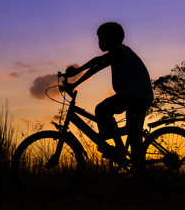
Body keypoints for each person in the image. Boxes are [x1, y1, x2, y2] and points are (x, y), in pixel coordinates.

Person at [63, 22, 154, 160]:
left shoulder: (119, 51)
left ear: (111, 38)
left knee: (102, 109)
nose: (99, 43)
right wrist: (74, 84)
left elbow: (96, 61)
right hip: (139, 96)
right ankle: (137, 171)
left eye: (101, 38)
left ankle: (120, 151)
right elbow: (95, 68)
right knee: (134, 137)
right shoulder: (118, 54)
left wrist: (77, 71)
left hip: (135, 95)